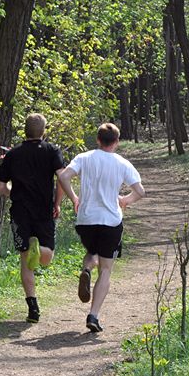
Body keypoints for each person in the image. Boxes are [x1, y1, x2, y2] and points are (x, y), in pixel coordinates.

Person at [57, 123, 145, 332]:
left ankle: (86, 269)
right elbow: (140, 191)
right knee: (106, 269)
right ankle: (93, 315)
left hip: (86, 219)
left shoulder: (84, 158)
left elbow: (63, 176)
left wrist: (73, 198)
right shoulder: (122, 163)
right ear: (116, 141)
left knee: (92, 254)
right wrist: (125, 200)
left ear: (98, 139)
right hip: (111, 221)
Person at [0, 113, 66, 323]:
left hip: (20, 211)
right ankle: (40, 249)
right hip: (44, 210)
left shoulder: (14, 154)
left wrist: (12, 193)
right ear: (44, 131)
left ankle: (33, 308)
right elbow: (62, 177)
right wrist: (57, 203)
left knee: (25, 259)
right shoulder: (52, 150)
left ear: (24, 130)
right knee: (47, 257)